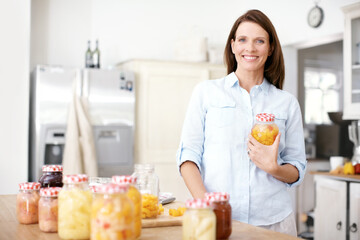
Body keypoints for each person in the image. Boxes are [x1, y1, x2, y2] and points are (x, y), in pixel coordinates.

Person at [176, 9, 306, 236]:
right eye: (243, 40)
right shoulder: (206, 93)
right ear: (233, 45)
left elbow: (297, 168)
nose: (251, 48)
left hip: (274, 222)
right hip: (219, 219)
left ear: (270, 48)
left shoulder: (286, 103)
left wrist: (273, 168)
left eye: (260, 41)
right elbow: (188, 158)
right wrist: (207, 207)